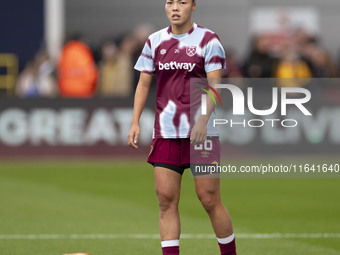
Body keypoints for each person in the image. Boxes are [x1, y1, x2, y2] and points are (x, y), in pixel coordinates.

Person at [127, 1, 236, 254]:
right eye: (170, 2)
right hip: (166, 133)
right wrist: (135, 121)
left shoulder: (208, 40)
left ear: (193, 6)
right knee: (165, 201)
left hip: (202, 132)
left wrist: (203, 120)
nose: (175, 7)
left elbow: (215, 86)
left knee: (209, 199)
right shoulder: (154, 41)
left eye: (182, 2)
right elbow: (143, 84)